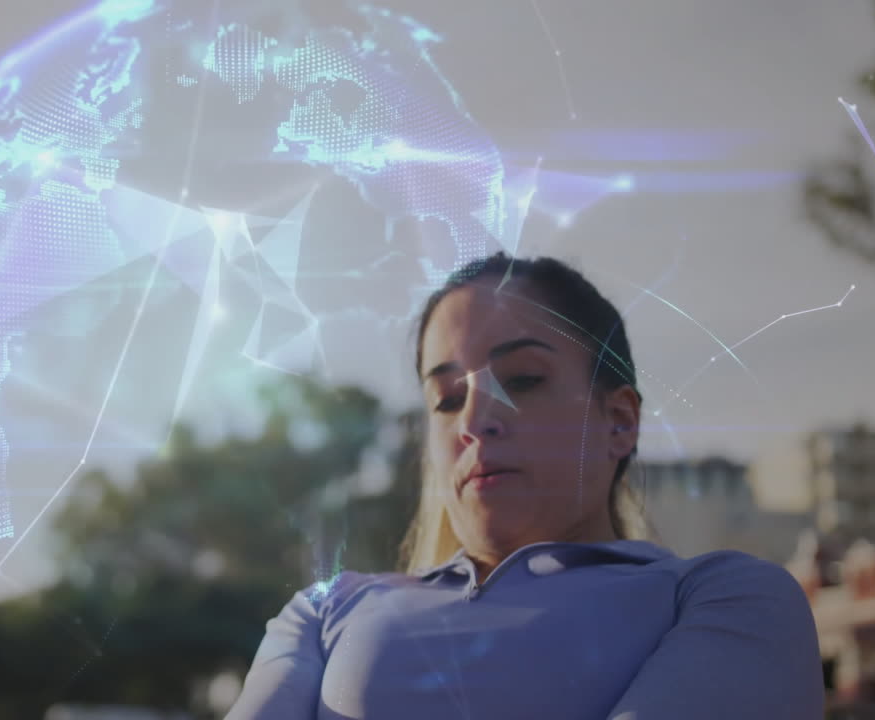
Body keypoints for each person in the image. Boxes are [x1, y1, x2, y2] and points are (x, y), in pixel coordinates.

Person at [225, 252, 824, 719]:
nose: (474, 419)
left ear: (619, 421)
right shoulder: (324, 612)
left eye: (523, 379)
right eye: (447, 398)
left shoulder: (724, 597)